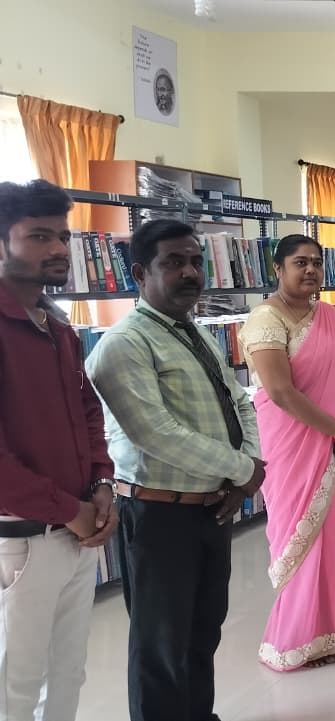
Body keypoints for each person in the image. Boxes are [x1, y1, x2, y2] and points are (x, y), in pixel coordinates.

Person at [86, 218, 266, 721]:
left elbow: (241, 401)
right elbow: (156, 433)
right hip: (159, 515)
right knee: (161, 648)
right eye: (173, 262)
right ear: (140, 273)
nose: (190, 272)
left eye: (195, 261)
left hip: (212, 508)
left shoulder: (195, 333)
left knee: (203, 632)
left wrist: (247, 468)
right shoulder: (124, 344)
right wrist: (243, 469)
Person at [0, 180, 117, 721]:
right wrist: (71, 509)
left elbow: (88, 412)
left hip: (78, 531)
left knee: (69, 672)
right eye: (39, 237)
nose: (57, 249)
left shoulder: (59, 328)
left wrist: (102, 484)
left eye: (63, 237)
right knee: (16, 686)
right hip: (23, 541)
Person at [240, 234, 335, 671]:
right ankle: (300, 637)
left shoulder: (332, 318)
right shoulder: (266, 319)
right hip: (292, 446)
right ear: (278, 269)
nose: (310, 270)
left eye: (316, 263)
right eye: (300, 262)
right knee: (298, 535)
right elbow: (281, 392)